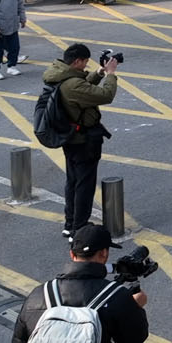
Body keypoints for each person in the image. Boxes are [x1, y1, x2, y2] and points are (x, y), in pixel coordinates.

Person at [11, 224, 149, 343]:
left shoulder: (39, 294)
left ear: (72, 254)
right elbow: (133, 340)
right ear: (104, 253)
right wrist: (136, 307)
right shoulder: (117, 296)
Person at [47, 43, 118, 236]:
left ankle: (70, 223)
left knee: (73, 181)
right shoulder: (72, 84)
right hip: (83, 140)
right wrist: (111, 74)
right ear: (77, 61)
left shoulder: (59, 74)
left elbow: (82, 85)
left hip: (69, 137)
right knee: (84, 185)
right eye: (85, 62)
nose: (86, 65)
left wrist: (100, 72)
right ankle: (79, 227)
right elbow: (105, 95)